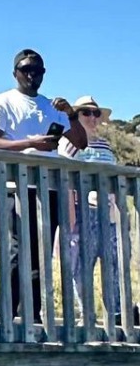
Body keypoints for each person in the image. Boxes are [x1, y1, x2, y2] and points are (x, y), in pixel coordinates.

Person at [0, 49, 86, 322]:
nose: (32, 75)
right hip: (16, 184)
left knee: (41, 251)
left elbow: (80, 142)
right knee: (17, 250)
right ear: (15, 72)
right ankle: (9, 313)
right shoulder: (2, 101)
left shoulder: (52, 106)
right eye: (26, 69)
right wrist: (31, 143)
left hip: (49, 187)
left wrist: (71, 115)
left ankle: (33, 314)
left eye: (37, 70)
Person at [58, 95, 118, 319]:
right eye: (86, 113)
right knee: (82, 268)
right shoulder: (69, 144)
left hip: (108, 214)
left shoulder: (105, 146)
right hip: (83, 212)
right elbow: (66, 181)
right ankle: (87, 315)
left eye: (95, 113)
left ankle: (115, 316)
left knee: (113, 267)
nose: (92, 118)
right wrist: (71, 220)